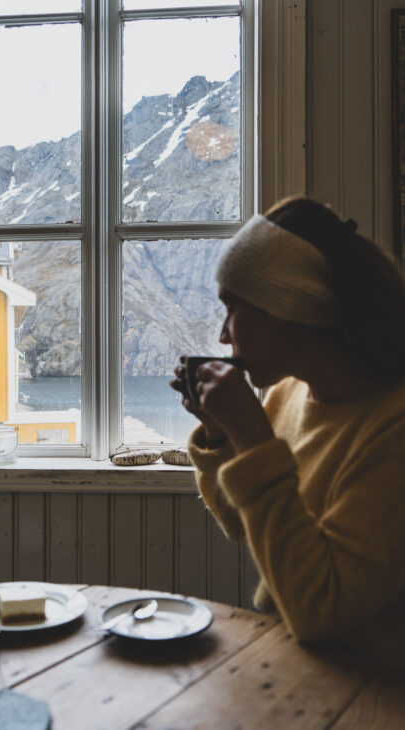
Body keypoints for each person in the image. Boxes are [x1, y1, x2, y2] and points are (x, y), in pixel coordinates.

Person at [170, 196, 405, 669]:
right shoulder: (290, 394)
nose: (222, 336)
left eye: (231, 308)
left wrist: (254, 440)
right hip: (299, 661)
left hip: (372, 689)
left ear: (282, 308)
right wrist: (221, 436)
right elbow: (245, 525)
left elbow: (321, 607)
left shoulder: (392, 429)